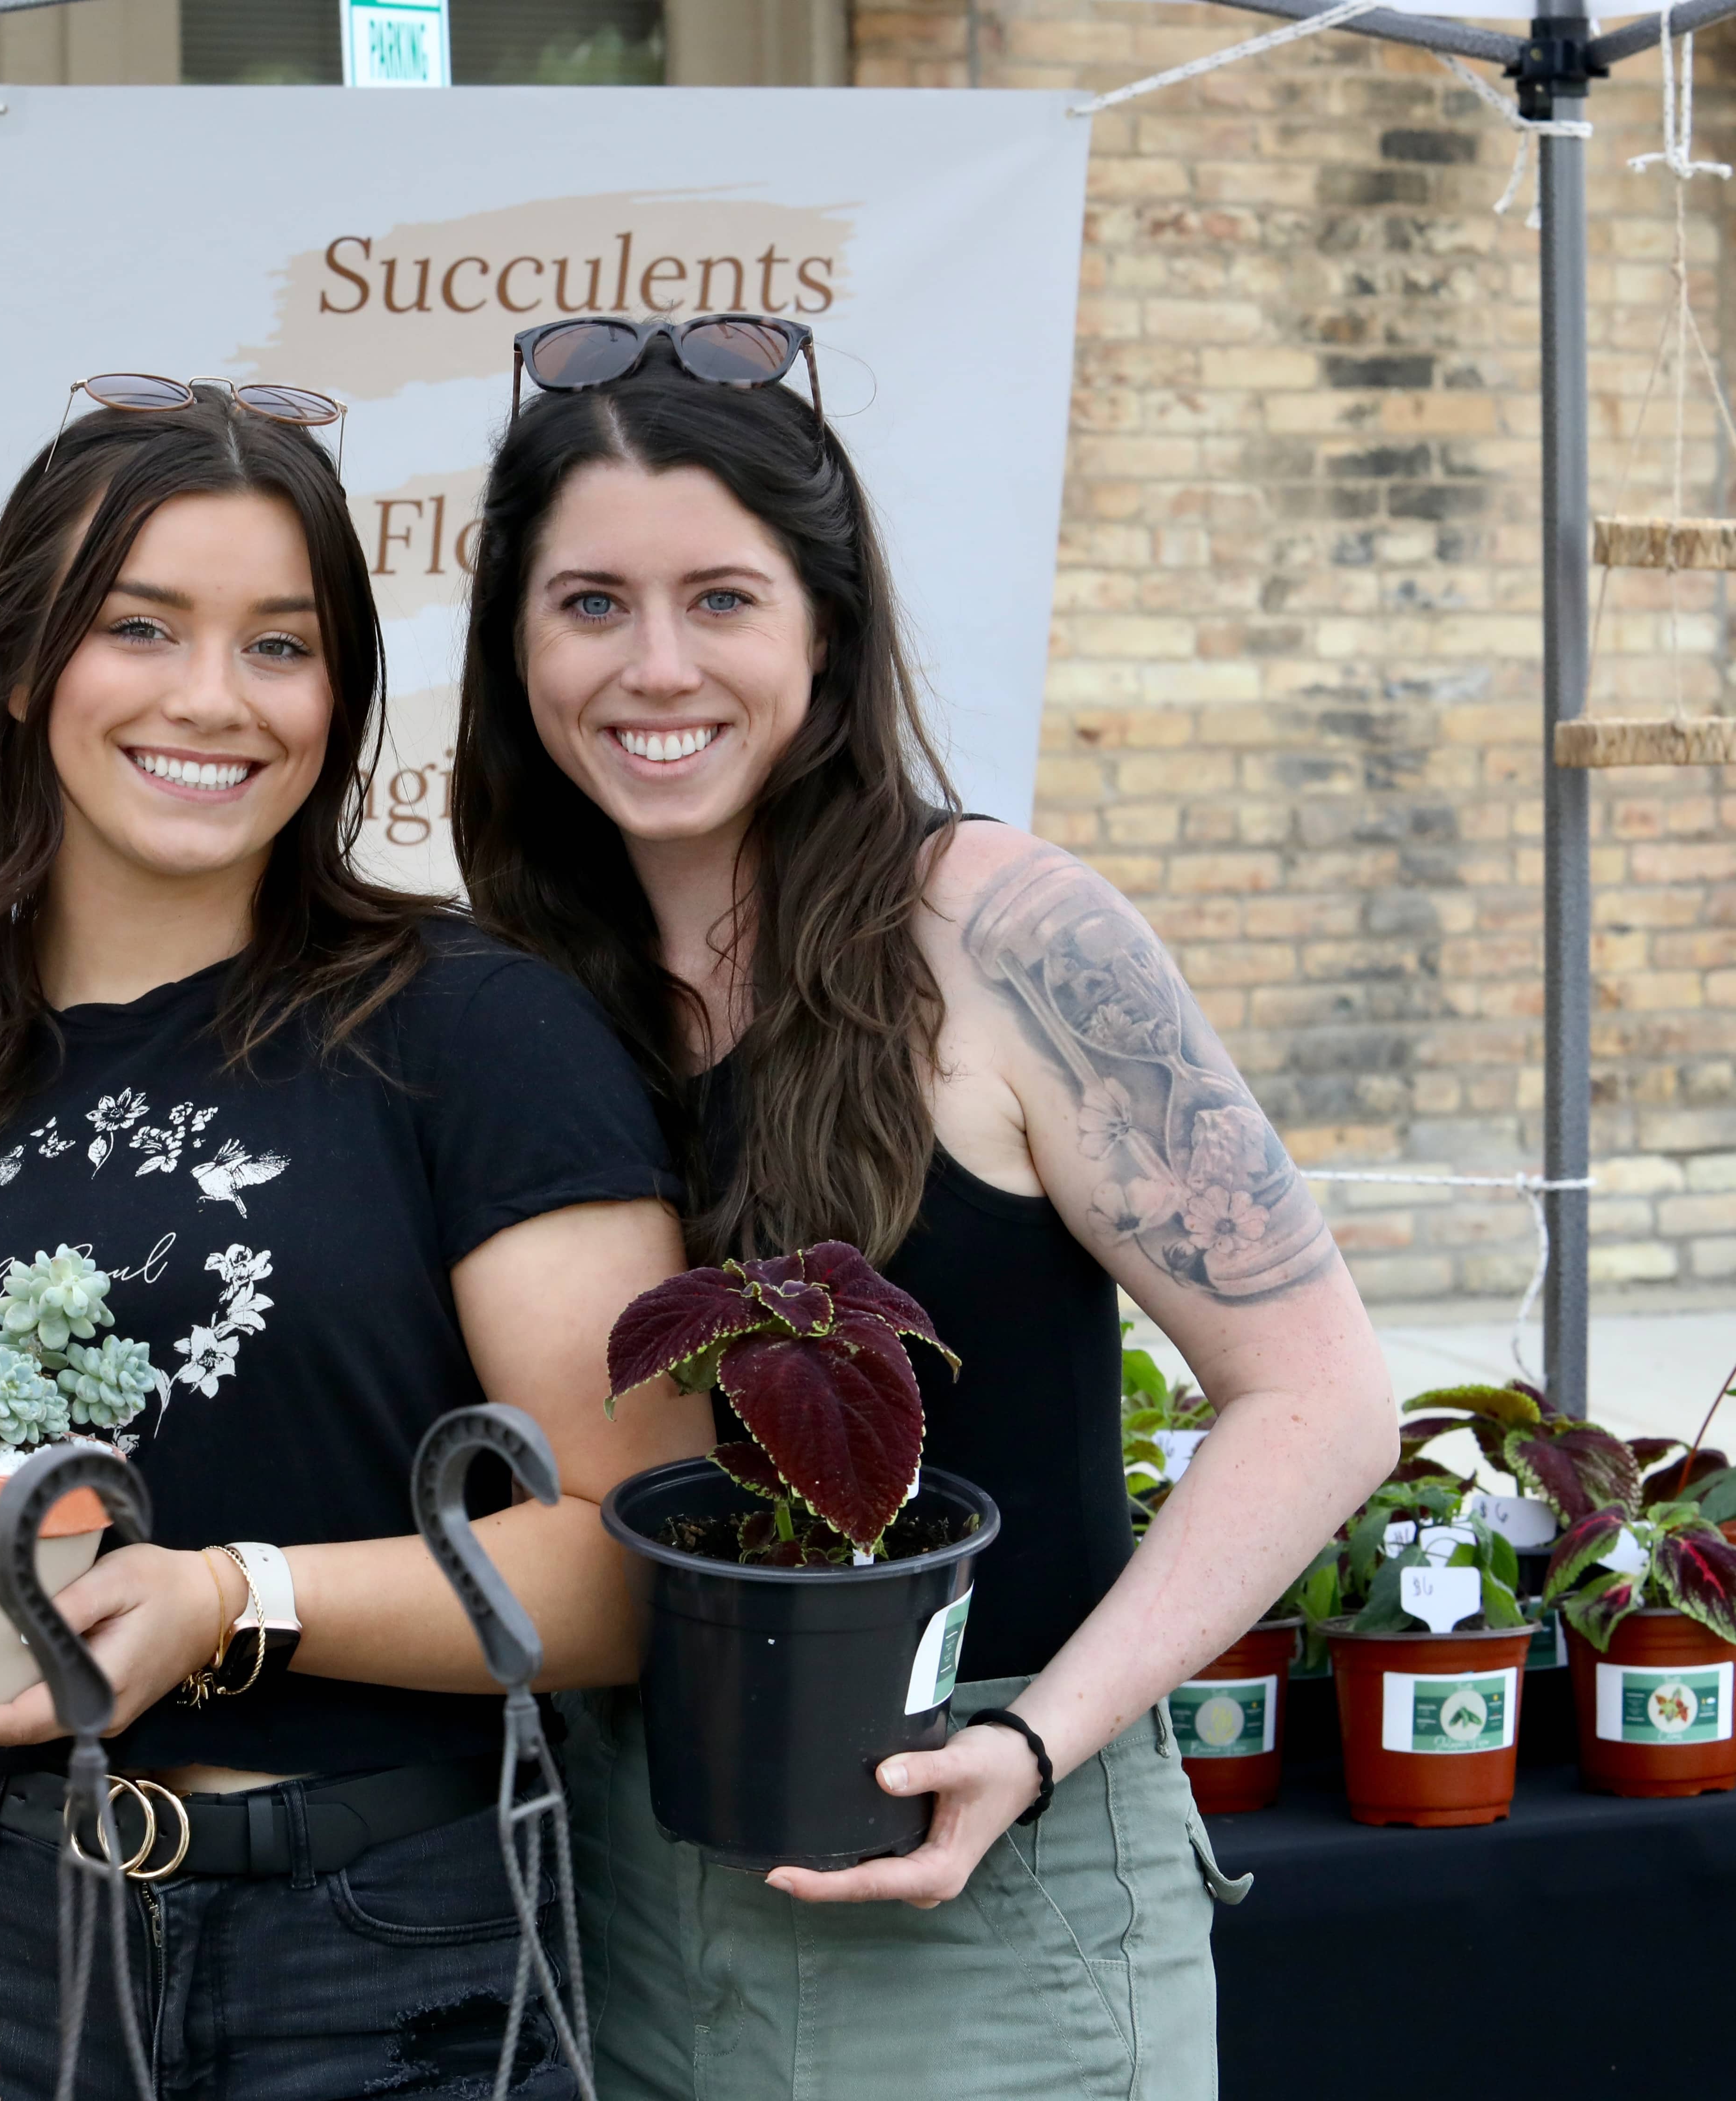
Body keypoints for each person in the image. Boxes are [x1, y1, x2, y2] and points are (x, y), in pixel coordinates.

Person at [0, 378, 702, 2100]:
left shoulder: (474, 1034)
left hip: (384, 1954)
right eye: (143, 627)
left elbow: (630, 1556)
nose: (215, 698)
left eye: (281, 645)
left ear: (339, 699)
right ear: (24, 667)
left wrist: (225, 1602)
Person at [449, 317, 1400, 2098]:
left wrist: (1036, 1745)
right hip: (619, 1897)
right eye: (589, 605)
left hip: (992, 1895)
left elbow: (1323, 1397)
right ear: (515, 645)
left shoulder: (1000, 936)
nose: (656, 666)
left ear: (828, 622)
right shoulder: (503, 990)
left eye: (721, 599)